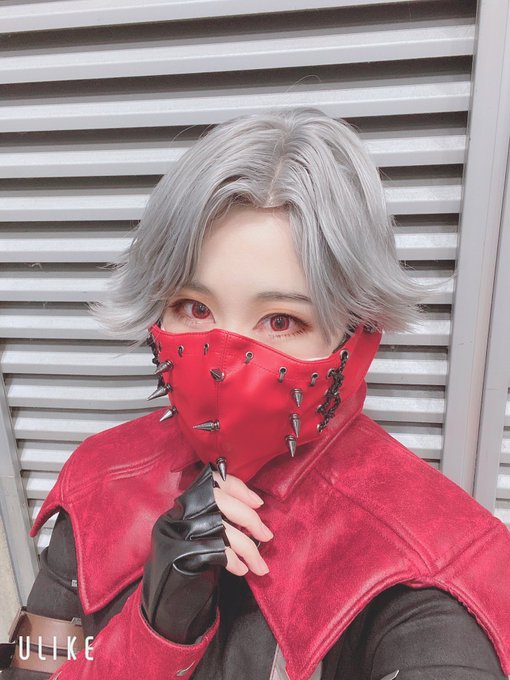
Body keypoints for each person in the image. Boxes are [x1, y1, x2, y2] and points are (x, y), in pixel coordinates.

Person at [1, 107, 509, 680]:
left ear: (358, 336)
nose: (226, 363)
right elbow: (29, 670)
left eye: (281, 321)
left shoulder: (429, 557)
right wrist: (152, 634)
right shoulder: (98, 480)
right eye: (195, 308)